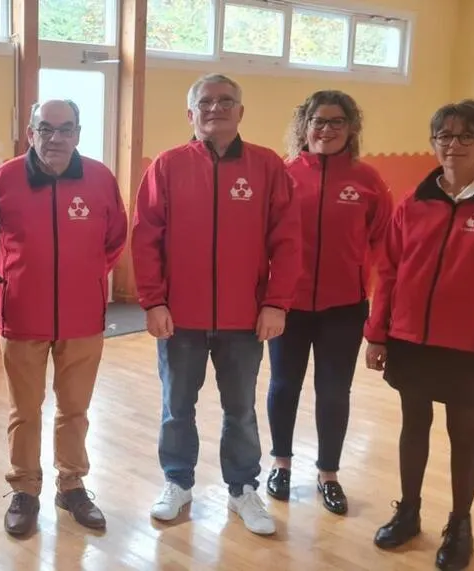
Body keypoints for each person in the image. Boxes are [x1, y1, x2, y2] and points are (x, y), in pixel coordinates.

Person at [131, 73, 301, 536]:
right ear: (191, 113)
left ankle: (243, 488)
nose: (216, 108)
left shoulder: (267, 166)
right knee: (176, 407)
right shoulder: (167, 166)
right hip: (179, 318)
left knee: (241, 410)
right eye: (206, 102)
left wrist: (276, 303)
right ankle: (177, 482)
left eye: (226, 101)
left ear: (240, 112)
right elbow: (145, 239)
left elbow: (287, 240)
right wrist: (153, 301)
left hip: (244, 319)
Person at [365, 99, 474, 571]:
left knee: (463, 433)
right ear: (433, 142)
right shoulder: (414, 201)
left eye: (465, 135)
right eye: (444, 136)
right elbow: (389, 270)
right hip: (410, 338)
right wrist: (377, 333)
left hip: (471, 346)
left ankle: (460, 523)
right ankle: (408, 512)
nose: (453, 145)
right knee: (414, 424)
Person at [0, 99, 127, 536]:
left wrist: (85, 277)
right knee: (24, 410)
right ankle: (24, 489)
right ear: (31, 133)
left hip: (83, 317)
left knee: (75, 409)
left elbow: (115, 239)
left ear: (78, 134)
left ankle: (71, 486)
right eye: (46, 129)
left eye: (66, 129)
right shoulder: (5, 178)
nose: (56, 138)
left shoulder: (100, 178)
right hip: (21, 314)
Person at [264, 90, 393, 515]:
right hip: (289, 305)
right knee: (284, 385)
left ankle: (328, 473)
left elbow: (383, 245)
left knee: (335, 390)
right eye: (318, 120)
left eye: (337, 121)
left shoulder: (368, 180)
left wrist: (376, 305)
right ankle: (281, 464)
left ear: (351, 128)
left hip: (345, 307)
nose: (326, 129)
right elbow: (263, 240)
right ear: (305, 125)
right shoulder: (283, 176)